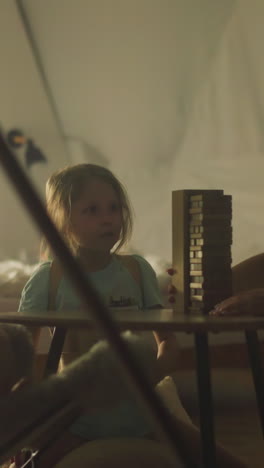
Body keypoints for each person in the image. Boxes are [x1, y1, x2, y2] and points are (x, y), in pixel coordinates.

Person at [18, 164, 179, 450]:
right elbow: (22, 352)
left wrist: (146, 381)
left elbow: (168, 341)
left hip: (142, 418)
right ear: (63, 221)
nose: (107, 219)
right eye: (92, 210)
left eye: (113, 208)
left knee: (200, 452)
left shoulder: (137, 271)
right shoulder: (48, 278)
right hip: (74, 421)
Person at [0, 327, 247, 468]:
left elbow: (166, 344)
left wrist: (148, 375)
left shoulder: (136, 271)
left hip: (124, 404)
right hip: (74, 415)